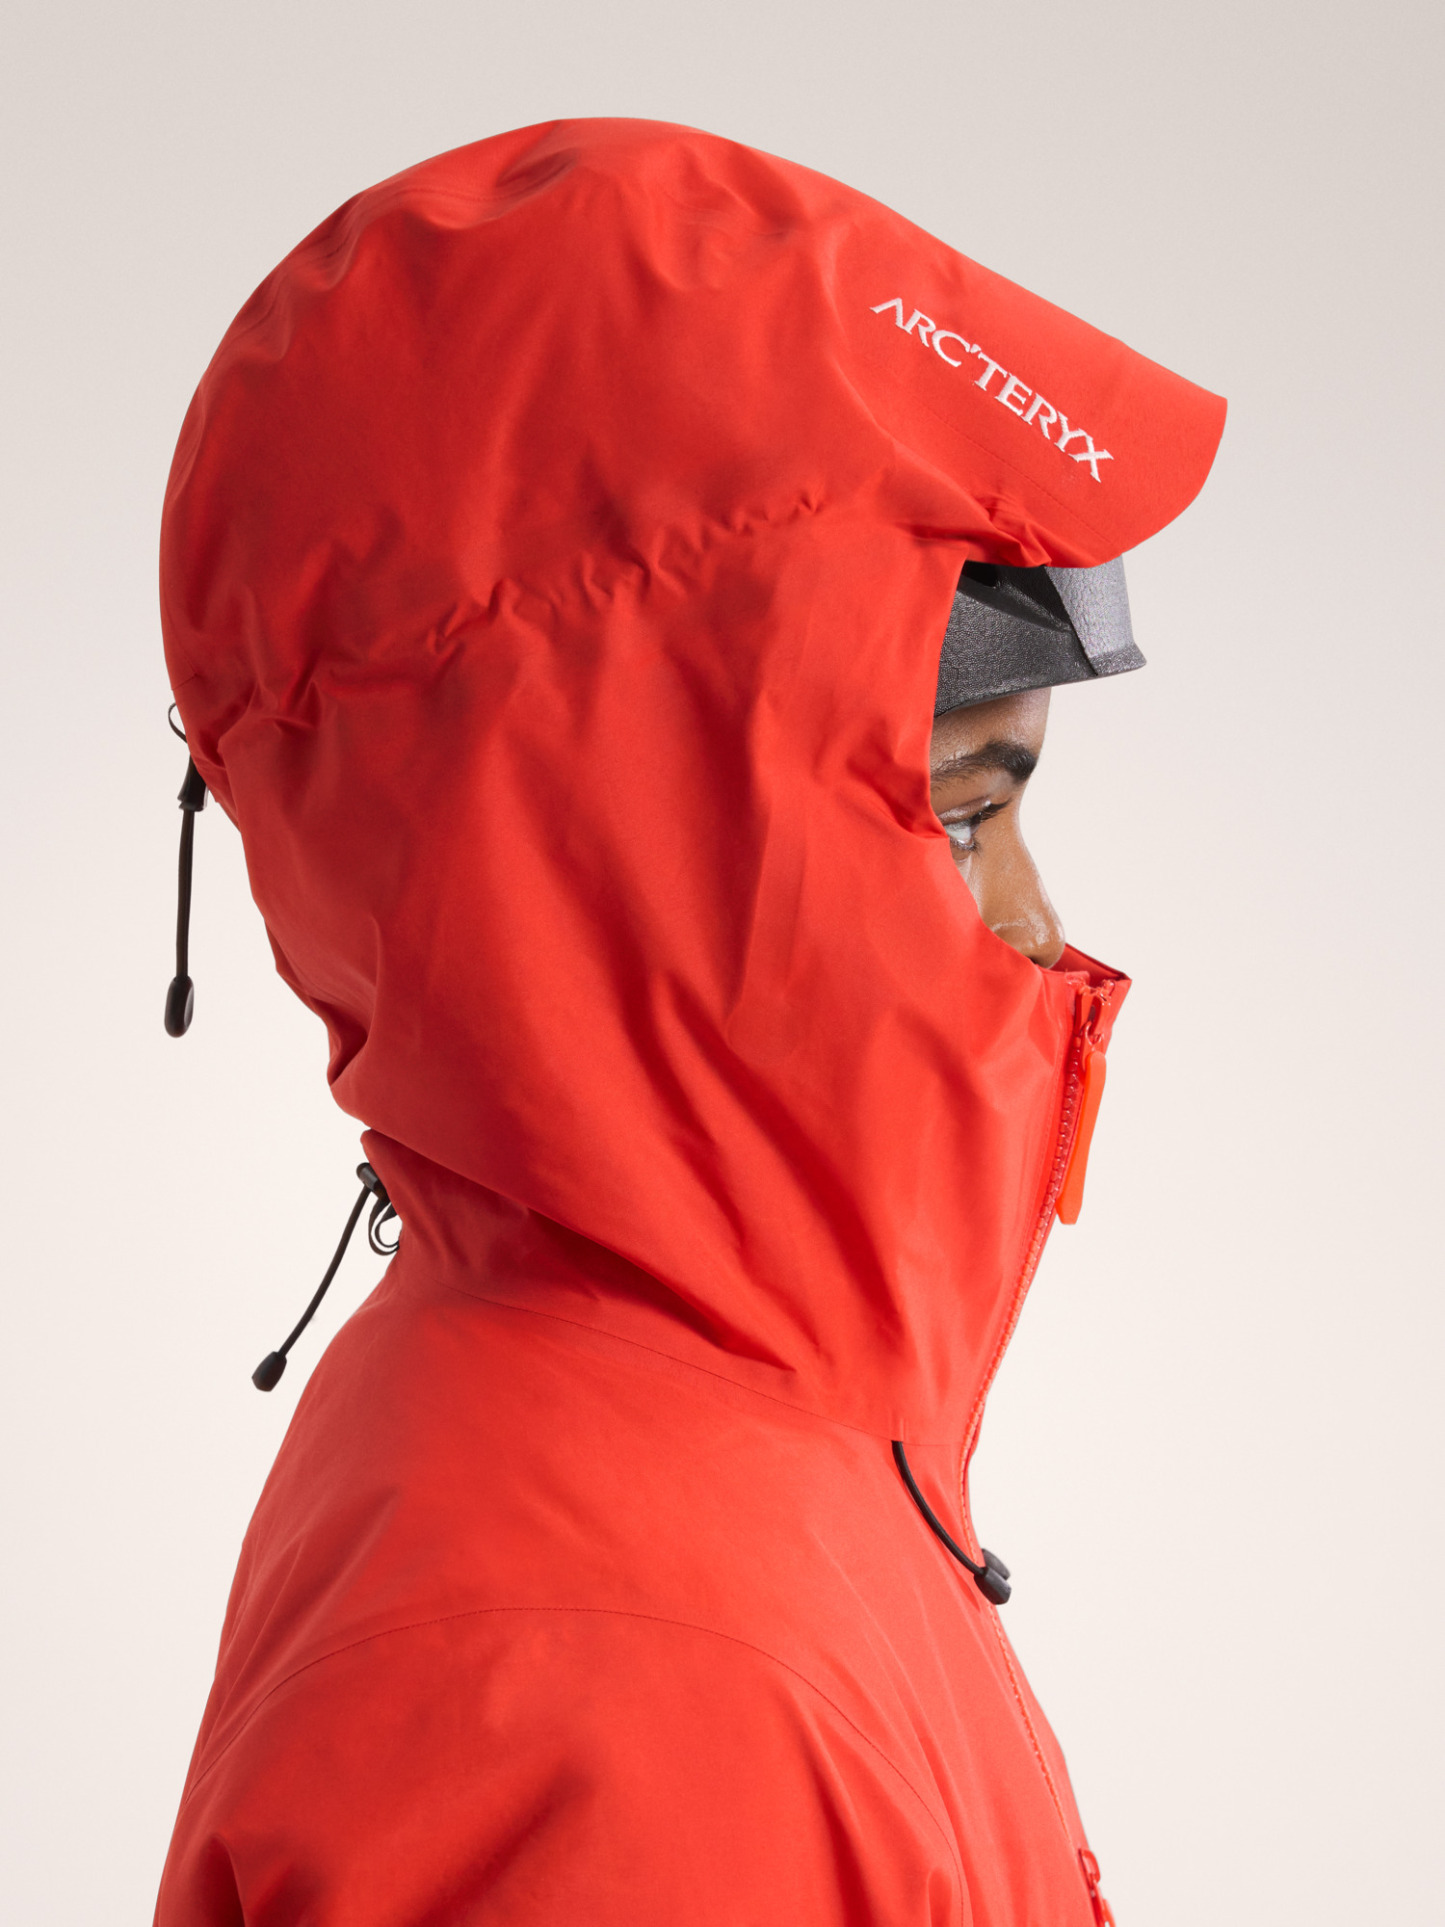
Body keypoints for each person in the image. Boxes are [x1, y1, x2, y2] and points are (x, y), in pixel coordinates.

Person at [154, 119, 1224, 1926]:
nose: (1034, 927)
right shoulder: (620, 1683)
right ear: (612, 842)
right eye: (960, 810)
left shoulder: (693, 1448)